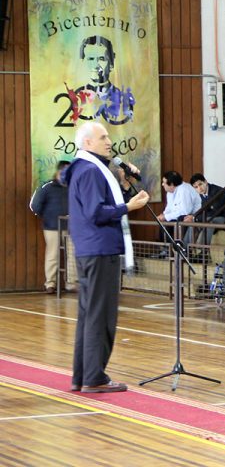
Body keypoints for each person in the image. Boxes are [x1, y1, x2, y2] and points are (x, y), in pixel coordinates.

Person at [62, 122, 150, 393]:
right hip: (99, 249)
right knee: (101, 316)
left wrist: (124, 187)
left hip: (93, 248)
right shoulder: (90, 170)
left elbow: (100, 206)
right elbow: (96, 213)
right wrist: (129, 206)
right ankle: (94, 377)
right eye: (103, 137)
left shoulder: (88, 168)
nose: (109, 141)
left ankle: (83, 376)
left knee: (90, 316)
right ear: (87, 143)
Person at [30, 160, 71, 293]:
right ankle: (50, 284)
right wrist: (45, 216)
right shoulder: (47, 186)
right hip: (51, 226)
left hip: (71, 226)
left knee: (72, 255)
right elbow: (34, 205)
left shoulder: (73, 186)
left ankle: (71, 283)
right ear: (59, 171)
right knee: (52, 254)